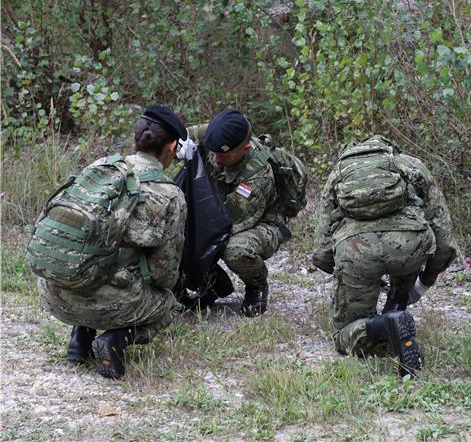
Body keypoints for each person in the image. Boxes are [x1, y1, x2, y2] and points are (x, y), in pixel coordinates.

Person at [37, 106, 188, 379]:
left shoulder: (99, 167)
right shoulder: (170, 195)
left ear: (136, 136)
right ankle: (115, 339)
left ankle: (80, 338)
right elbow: (163, 274)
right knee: (170, 305)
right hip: (109, 304)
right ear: (173, 147)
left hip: (54, 294)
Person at [311, 135, 456, 377]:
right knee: (407, 249)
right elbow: (443, 236)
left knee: (344, 335)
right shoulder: (411, 165)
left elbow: (320, 250)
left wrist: (342, 271)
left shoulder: (339, 172)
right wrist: (426, 278)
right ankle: (397, 308)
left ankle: (383, 326)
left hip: (356, 250)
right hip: (410, 245)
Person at [184, 109, 292, 317]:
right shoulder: (217, 134)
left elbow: (226, 223)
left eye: (223, 156)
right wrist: (179, 146)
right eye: (213, 152)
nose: (215, 159)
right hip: (217, 209)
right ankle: (214, 283)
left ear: (245, 148)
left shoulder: (258, 175)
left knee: (235, 250)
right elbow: (177, 135)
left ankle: (257, 284)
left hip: (259, 224)